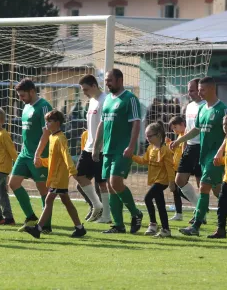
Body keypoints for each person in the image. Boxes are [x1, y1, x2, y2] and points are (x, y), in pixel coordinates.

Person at [170, 77, 227, 236]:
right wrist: (180, 140)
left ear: (212, 89)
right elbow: (196, 129)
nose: (199, 92)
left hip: (216, 157)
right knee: (219, 192)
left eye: (202, 89)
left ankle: (196, 226)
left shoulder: (222, 109)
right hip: (204, 156)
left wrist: (220, 152)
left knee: (203, 187)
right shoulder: (202, 109)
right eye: (198, 90)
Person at [93, 68, 144, 234]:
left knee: (115, 182)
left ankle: (136, 213)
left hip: (123, 148)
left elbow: (136, 122)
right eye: (106, 80)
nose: (106, 83)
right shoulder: (107, 99)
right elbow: (102, 123)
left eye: (109, 80)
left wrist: (131, 145)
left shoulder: (130, 99)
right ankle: (119, 225)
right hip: (108, 148)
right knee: (109, 185)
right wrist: (96, 146)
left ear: (120, 80)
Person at [25, 110, 86, 238]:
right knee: (66, 201)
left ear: (57, 123)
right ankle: (79, 228)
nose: (46, 124)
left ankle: (38, 228)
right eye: (46, 121)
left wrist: (72, 170)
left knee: (49, 199)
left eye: (49, 121)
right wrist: (42, 162)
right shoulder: (52, 137)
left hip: (59, 177)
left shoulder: (60, 138)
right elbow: (54, 159)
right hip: (55, 176)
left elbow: (66, 156)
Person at [8, 78, 52, 232]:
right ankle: (31, 217)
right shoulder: (26, 107)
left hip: (40, 155)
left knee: (43, 190)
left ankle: (46, 225)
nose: (20, 98)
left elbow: (47, 133)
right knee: (13, 183)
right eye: (19, 95)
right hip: (24, 154)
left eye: (22, 95)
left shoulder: (44, 106)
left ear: (32, 91)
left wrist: (38, 154)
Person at [132, 121, 175, 238]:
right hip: (155, 180)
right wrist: (131, 156)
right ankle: (166, 230)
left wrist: (171, 182)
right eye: (146, 136)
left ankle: (153, 224)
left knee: (147, 198)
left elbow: (170, 169)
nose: (148, 138)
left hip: (162, 181)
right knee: (160, 204)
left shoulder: (165, 150)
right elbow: (143, 161)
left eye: (150, 136)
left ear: (158, 135)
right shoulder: (151, 148)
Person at [75, 74, 106, 222]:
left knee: (102, 183)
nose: (84, 93)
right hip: (88, 147)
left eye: (86, 89)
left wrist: (98, 146)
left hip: (100, 149)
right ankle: (97, 205)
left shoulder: (104, 100)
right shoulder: (92, 101)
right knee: (79, 176)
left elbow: (104, 126)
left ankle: (106, 214)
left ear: (94, 86)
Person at [173, 78, 202, 223]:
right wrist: (184, 146)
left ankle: (201, 213)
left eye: (192, 90)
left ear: (200, 89)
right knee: (179, 179)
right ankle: (199, 208)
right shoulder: (189, 106)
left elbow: (197, 130)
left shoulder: (206, 106)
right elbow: (187, 130)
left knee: (203, 185)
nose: (189, 93)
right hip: (189, 147)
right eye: (188, 90)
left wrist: (179, 141)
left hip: (202, 148)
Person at [168, 116, 189, 221]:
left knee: (180, 190)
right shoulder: (180, 135)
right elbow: (177, 152)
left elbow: (184, 152)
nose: (174, 130)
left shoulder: (186, 136)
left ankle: (199, 203)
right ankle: (178, 214)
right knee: (175, 191)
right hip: (175, 166)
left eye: (175, 127)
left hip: (183, 167)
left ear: (182, 124)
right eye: (173, 129)